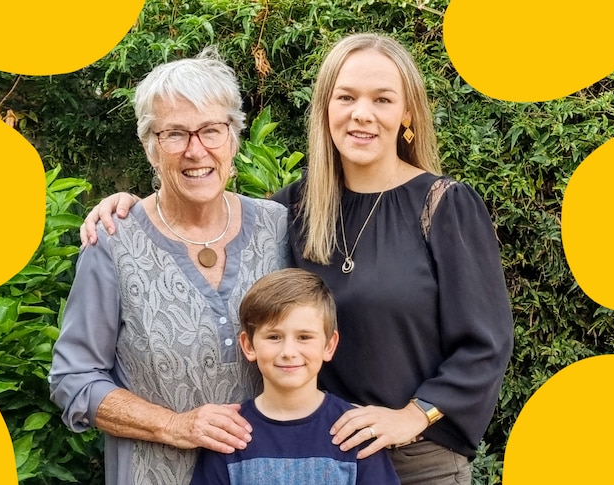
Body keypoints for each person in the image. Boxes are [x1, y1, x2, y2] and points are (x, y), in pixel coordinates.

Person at [80, 32, 514, 485]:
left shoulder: (443, 206)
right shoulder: (291, 211)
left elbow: (487, 341)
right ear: (326, 108)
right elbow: (209, 211)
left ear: (407, 113)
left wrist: (412, 415)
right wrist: (134, 208)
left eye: (382, 99)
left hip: (416, 462)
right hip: (312, 460)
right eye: (346, 97)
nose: (361, 114)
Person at [48, 47, 290, 485]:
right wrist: (174, 425)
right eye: (174, 134)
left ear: (234, 137)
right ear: (150, 148)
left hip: (271, 471)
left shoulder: (279, 228)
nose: (196, 151)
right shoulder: (114, 242)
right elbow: (74, 379)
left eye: (212, 131)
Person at [189, 268, 401, 485]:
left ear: (329, 345)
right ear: (249, 345)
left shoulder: (354, 432)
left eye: (304, 337)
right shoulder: (230, 435)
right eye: (274, 337)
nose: (288, 352)